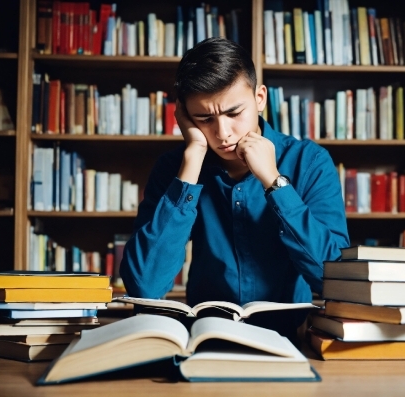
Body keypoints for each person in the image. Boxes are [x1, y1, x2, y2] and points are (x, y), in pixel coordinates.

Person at [120, 37, 349, 340]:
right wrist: (192, 163)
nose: (222, 134)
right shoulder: (175, 168)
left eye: (233, 113)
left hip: (290, 341)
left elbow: (332, 279)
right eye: (204, 119)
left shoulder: (310, 161)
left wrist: (274, 182)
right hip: (205, 340)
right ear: (185, 116)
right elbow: (144, 286)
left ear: (260, 98)